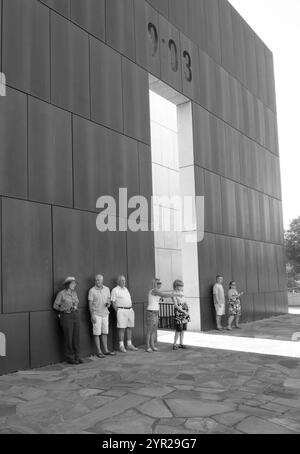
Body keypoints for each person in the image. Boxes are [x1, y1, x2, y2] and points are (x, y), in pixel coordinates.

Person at [146, 278, 182, 353]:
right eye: (158, 283)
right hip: (151, 312)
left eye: (160, 283)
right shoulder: (154, 290)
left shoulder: (157, 291)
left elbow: (162, 296)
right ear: (154, 284)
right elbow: (164, 295)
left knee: (154, 330)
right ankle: (148, 346)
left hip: (155, 312)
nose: (160, 284)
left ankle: (152, 346)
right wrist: (176, 294)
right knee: (150, 330)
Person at [53, 277, 83, 365]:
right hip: (66, 316)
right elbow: (55, 306)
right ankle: (70, 357)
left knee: (76, 337)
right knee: (68, 337)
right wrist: (63, 309)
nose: (75, 285)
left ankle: (77, 356)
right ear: (68, 284)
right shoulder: (61, 294)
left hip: (75, 315)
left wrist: (75, 306)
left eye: (75, 283)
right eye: (73, 283)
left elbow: (77, 303)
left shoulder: (74, 293)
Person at [88, 275, 115, 358]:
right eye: (96, 280)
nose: (97, 282)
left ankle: (106, 350)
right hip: (96, 314)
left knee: (104, 332)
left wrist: (108, 304)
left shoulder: (107, 289)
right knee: (97, 333)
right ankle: (99, 351)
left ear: (102, 280)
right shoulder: (91, 291)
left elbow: (109, 300)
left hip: (105, 314)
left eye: (99, 280)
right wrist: (92, 315)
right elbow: (90, 304)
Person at [111, 275, 138, 353]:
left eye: (124, 280)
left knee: (130, 327)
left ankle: (129, 344)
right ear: (118, 281)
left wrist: (131, 308)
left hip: (129, 310)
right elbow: (113, 302)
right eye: (122, 280)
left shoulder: (126, 289)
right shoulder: (115, 290)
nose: (124, 282)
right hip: (121, 310)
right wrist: (118, 311)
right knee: (122, 328)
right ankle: (121, 346)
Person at [172, 280, 190, 350]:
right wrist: (183, 311)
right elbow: (176, 305)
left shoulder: (182, 293)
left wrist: (188, 310)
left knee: (183, 329)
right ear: (176, 286)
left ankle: (181, 343)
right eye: (180, 286)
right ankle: (174, 344)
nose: (181, 287)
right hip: (179, 312)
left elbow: (185, 302)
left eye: (182, 285)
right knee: (178, 329)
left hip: (185, 311)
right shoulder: (173, 293)